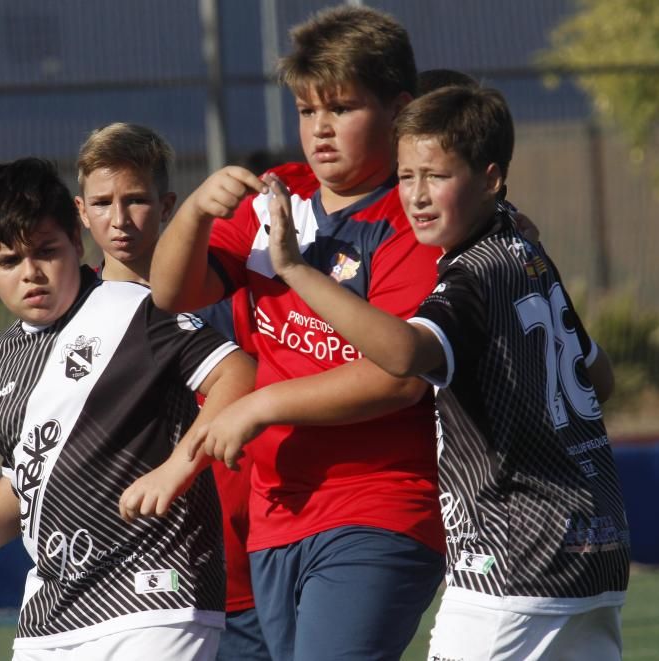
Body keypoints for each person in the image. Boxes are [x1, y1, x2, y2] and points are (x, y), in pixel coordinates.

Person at [235, 84, 630, 660]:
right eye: (406, 177)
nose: (416, 197)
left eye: (436, 177)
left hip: (511, 560)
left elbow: (401, 356)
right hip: (595, 547)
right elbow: (599, 379)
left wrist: (293, 268)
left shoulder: (470, 275)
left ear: (491, 179)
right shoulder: (528, 256)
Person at [151, 6, 446, 660]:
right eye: (308, 111)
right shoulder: (281, 192)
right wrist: (196, 210)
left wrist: (261, 404)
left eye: (341, 108)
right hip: (277, 511)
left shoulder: (411, 217)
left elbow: (399, 376)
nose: (320, 129)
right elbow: (173, 291)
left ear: (399, 109)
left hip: (378, 505)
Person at [0, 156, 256, 660]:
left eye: (46, 251)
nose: (31, 273)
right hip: (51, 614)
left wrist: (177, 468)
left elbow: (238, 374)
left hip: (156, 595)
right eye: (9, 261)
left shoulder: (136, 310)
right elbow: (27, 477)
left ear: (77, 243)